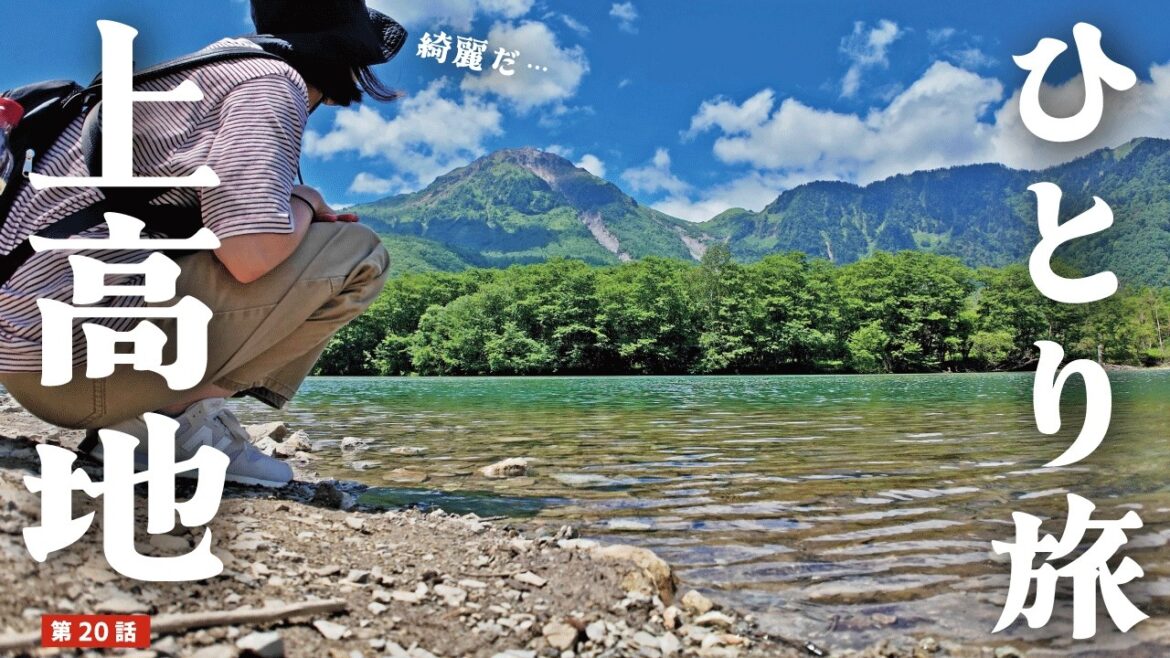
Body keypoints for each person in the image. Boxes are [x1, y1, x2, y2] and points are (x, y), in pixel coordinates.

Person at [0, 0, 406, 487]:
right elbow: (249, 251)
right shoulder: (270, 82)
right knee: (358, 252)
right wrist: (304, 201)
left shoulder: (192, 73)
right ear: (344, 56)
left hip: (28, 357)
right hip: (74, 375)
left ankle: (154, 422)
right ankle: (169, 427)